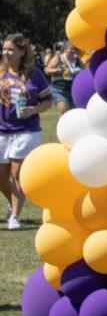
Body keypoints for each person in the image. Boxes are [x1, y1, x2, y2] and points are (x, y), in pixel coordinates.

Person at [1, 33, 51, 230]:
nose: (6, 53)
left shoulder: (34, 74)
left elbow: (47, 101)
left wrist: (33, 110)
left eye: (10, 49)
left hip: (26, 130)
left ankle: (14, 216)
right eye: (4, 49)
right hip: (2, 131)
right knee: (1, 177)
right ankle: (13, 201)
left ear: (22, 52)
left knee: (17, 173)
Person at [44, 42, 83, 115]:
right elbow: (46, 70)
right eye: (71, 49)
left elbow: (84, 72)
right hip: (59, 90)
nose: (73, 50)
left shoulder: (77, 60)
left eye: (75, 49)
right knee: (64, 112)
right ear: (65, 49)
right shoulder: (58, 58)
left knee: (76, 114)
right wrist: (57, 70)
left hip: (74, 91)